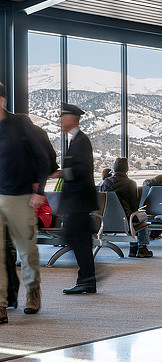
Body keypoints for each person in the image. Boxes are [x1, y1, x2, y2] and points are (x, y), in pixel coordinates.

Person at [0, 82, 53, 320]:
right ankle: (0, 304)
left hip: (20, 196)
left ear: (2, 101)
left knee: (26, 250)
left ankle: (33, 292)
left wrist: (39, 190)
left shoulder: (20, 123)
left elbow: (42, 156)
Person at [59, 103, 99, 294]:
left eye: (63, 117)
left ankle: (88, 277)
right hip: (78, 201)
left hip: (79, 201)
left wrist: (60, 173)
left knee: (73, 237)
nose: (60, 120)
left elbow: (81, 170)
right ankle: (87, 279)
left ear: (72, 119)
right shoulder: (75, 140)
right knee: (79, 239)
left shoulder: (81, 141)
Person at [99, 158, 151, 258]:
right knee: (142, 215)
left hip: (106, 221)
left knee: (134, 218)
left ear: (113, 170)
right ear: (126, 170)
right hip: (126, 220)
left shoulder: (104, 183)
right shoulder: (130, 183)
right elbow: (134, 207)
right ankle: (141, 248)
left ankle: (135, 248)